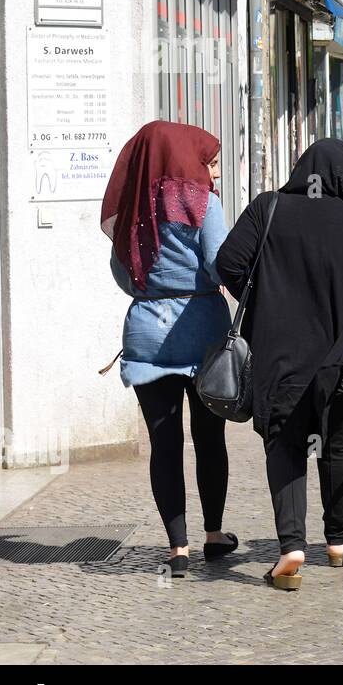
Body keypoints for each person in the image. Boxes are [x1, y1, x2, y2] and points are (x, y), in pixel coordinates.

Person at [216, 140, 343, 591]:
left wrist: (266, 293)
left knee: (285, 443)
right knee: (338, 445)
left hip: (280, 355)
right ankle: (338, 543)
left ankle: (291, 546)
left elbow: (227, 263)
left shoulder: (267, 208)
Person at [101, 121, 238, 578]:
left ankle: (177, 547)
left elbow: (124, 278)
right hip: (202, 334)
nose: (213, 174)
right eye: (209, 163)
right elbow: (222, 268)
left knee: (164, 443)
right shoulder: (205, 204)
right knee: (209, 438)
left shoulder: (132, 209)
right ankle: (214, 535)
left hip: (147, 335)